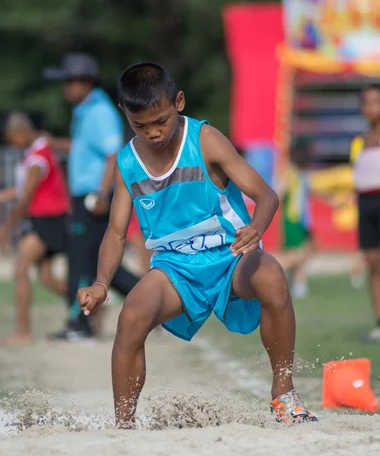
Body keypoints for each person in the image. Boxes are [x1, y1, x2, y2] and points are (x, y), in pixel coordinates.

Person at [77, 62, 317, 428]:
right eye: (140, 126)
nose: (153, 133)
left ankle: (283, 394)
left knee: (272, 277)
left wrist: (255, 227)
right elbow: (116, 232)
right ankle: (123, 423)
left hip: (230, 257)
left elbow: (266, 196)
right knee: (132, 317)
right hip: (175, 268)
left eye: (160, 121)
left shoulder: (205, 140)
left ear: (179, 102)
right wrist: (101, 284)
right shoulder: (126, 162)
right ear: (126, 115)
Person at [43, 53, 140, 341]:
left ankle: (80, 324)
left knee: (80, 260)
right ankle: (154, 300)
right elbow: (84, 148)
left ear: (85, 82)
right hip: (87, 196)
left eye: (69, 81)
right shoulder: (86, 110)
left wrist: (101, 193)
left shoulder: (99, 112)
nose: (65, 88)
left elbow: (113, 153)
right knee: (102, 262)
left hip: (94, 197)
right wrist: (52, 142)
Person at [0, 112, 69, 344]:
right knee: (47, 278)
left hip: (47, 221)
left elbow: (26, 197)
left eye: (11, 139)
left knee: (20, 270)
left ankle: (23, 332)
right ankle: (94, 306)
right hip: (48, 219)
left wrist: (6, 228)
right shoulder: (35, 153)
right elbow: (23, 189)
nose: (11, 144)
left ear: (20, 134)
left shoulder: (37, 158)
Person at [350, 84, 380, 343]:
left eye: (375, 102)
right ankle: (379, 323)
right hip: (365, 204)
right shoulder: (361, 141)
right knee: (373, 264)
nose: (370, 108)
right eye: (366, 102)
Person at [277, 140, 315, 298]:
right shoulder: (290, 173)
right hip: (293, 219)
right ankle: (276, 268)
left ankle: (299, 283)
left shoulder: (302, 174)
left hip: (302, 219)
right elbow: (279, 193)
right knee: (297, 253)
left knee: (305, 250)